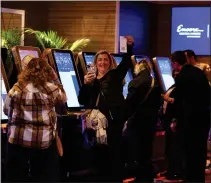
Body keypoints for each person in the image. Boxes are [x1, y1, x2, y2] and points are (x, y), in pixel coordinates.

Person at [78, 37, 134, 181]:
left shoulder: (114, 76)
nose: (102, 62)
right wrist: (85, 84)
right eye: (100, 60)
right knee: (98, 153)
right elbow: (82, 100)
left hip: (113, 121)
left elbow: (126, 63)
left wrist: (129, 46)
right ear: (95, 63)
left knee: (113, 153)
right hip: (96, 123)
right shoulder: (91, 79)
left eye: (105, 59)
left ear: (110, 62)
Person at [4, 57, 67, 182]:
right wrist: (55, 79)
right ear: (46, 71)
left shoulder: (17, 88)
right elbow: (64, 99)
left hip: (18, 141)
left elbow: (6, 110)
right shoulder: (51, 89)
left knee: (15, 177)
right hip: (43, 142)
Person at [169, 51, 210, 182]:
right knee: (200, 152)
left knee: (188, 154)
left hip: (189, 121)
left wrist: (174, 121)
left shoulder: (181, 77)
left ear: (175, 63)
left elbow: (179, 102)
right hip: (204, 119)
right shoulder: (199, 73)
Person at [124, 59, 162, 182]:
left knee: (136, 150)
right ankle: (147, 176)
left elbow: (129, 103)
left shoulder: (134, 83)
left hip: (137, 121)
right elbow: (159, 103)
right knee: (147, 149)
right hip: (151, 121)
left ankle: (140, 176)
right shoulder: (155, 82)